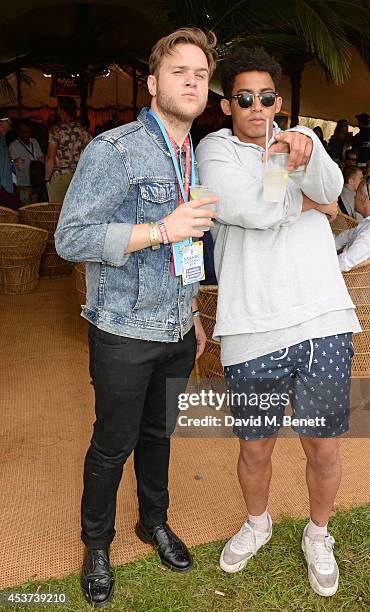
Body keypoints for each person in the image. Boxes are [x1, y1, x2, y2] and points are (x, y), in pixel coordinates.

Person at [55, 27, 218, 608]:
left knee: (159, 435)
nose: (192, 81)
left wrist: (193, 314)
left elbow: (188, 250)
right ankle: (96, 544)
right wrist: (159, 230)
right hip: (123, 329)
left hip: (175, 327)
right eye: (179, 71)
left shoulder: (189, 153)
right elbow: (69, 238)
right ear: (152, 84)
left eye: (200, 73)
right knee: (112, 443)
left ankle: (154, 522)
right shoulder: (114, 149)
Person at [196, 47, 361, 598]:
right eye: (245, 99)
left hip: (322, 318)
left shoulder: (302, 142)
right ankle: (257, 522)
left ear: (278, 100)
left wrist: (306, 155)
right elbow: (254, 209)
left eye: (267, 98)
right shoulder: (213, 150)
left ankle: (319, 533)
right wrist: (300, 197)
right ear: (227, 104)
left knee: (323, 446)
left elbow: (333, 191)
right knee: (255, 446)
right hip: (251, 327)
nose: (257, 107)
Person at [45, 96, 91, 202]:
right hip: (78, 177)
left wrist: (47, 179)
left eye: (58, 108)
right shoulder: (82, 131)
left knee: (57, 213)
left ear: (62, 110)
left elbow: (50, 158)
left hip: (60, 176)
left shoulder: (56, 131)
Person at [9, 120, 44, 189]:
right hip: (23, 182)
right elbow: (12, 164)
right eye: (23, 132)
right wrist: (15, 162)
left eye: (28, 132)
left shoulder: (34, 141)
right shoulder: (13, 146)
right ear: (19, 132)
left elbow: (40, 156)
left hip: (37, 180)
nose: (26, 134)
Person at [0, 112, 19, 209]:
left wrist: (12, 162)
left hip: (8, 184)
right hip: (3, 187)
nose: (10, 122)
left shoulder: (3, 139)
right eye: (7, 120)